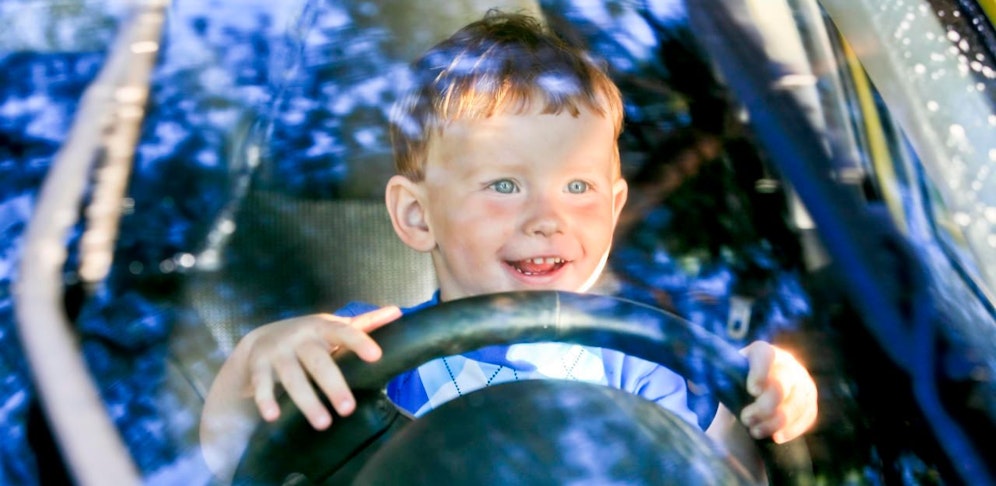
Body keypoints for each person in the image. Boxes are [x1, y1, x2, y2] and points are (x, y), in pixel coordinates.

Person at [199, 11, 818, 482]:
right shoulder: (368, 356)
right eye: (504, 185)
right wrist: (263, 358)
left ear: (615, 204)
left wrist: (771, 395)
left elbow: (727, 471)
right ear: (417, 215)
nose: (547, 218)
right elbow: (232, 457)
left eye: (578, 186)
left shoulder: (651, 363)